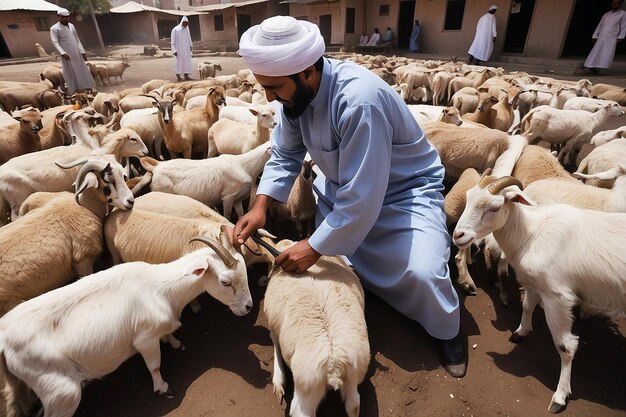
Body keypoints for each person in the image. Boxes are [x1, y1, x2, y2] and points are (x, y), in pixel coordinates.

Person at [235, 16, 467, 378]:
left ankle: (448, 330)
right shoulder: (296, 99)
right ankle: (379, 276)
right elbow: (284, 153)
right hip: (346, 192)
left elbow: (366, 193)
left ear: (309, 72)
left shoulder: (359, 102)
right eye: (264, 87)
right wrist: (261, 205)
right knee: (343, 262)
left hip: (403, 192)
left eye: (274, 87)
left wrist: (313, 246)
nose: (269, 97)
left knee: (422, 274)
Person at [49, 8, 94, 94]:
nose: (65, 19)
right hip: (67, 55)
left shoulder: (72, 26)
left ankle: (87, 88)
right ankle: (73, 91)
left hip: (77, 53)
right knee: (71, 72)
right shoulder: (54, 28)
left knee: (82, 70)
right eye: (63, 17)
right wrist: (63, 53)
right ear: (58, 17)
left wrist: (82, 51)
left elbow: (77, 39)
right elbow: (55, 42)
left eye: (67, 17)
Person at [584, 0, 626, 75]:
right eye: (613, 4)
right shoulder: (607, 14)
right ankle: (592, 67)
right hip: (601, 36)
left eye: (616, 4)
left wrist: (621, 37)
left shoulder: (623, 14)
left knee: (605, 53)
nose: (614, 5)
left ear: (620, 4)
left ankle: (598, 68)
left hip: (612, 37)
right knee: (596, 52)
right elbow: (600, 25)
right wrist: (594, 35)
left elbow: (624, 26)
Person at [171, 16, 193, 81]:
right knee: (179, 63)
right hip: (178, 50)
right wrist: (174, 50)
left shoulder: (187, 29)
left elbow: (189, 38)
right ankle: (178, 76)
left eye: (187, 23)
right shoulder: (175, 29)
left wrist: (191, 46)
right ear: (182, 22)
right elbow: (172, 42)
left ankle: (186, 75)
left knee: (187, 62)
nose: (186, 25)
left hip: (186, 50)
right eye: (185, 23)